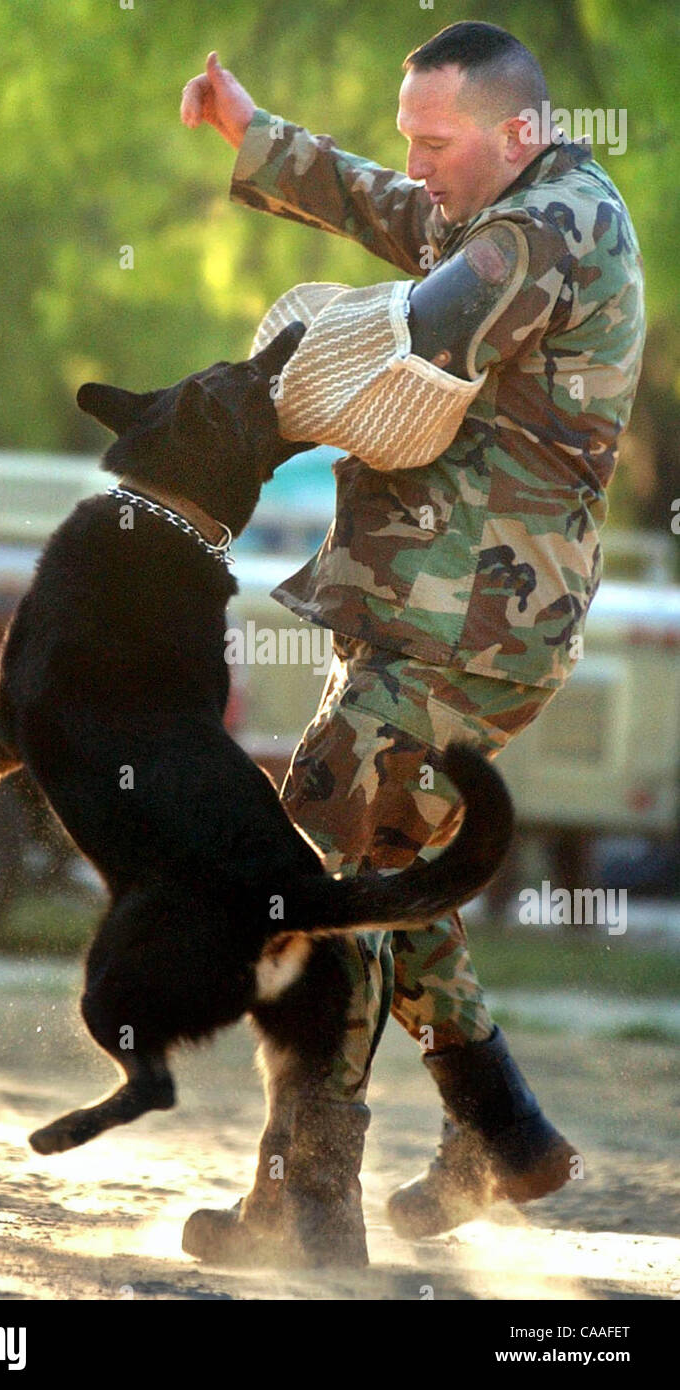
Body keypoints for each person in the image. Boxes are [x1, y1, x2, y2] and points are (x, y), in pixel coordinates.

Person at [178, 22, 645, 1265]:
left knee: (323, 847)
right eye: (412, 138)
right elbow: (398, 208)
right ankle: (503, 1132)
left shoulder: (554, 230)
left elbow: (403, 339)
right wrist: (254, 133)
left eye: (439, 142)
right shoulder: (495, 199)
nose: (419, 164)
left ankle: (309, 1199)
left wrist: (225, 412)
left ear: (522, 132)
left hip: (465, 626)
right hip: (430, 615)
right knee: (392, 869)